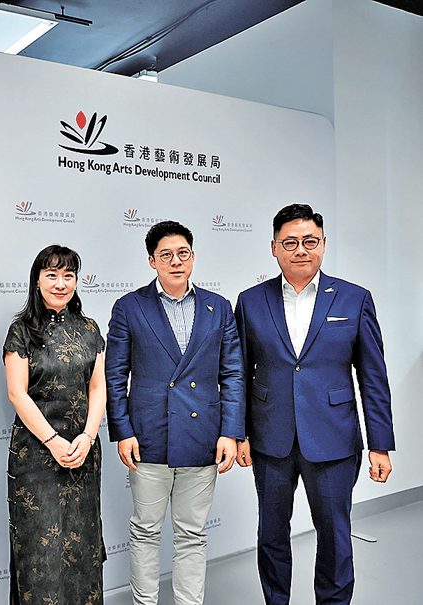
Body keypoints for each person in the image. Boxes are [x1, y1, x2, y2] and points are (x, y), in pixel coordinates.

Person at [234, 203, 395, 605]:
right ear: (274, 248)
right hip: (270, 439)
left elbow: (373, 377)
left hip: (333, 438)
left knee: (335, 537)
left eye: (310, 241)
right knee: (271, 535)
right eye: (290, 242)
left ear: (323, 244)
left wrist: (380, 445)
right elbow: (238, 374)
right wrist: (238, 433)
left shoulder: (354, 298)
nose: (301, 249)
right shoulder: (251, 301)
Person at [105, 220, 244, 605]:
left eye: (183, 253)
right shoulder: (130, 307)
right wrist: (123, 431)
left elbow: (232, 373)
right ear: (152, 261)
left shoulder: (219, 307)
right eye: (166, 255)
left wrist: (230, 432)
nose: (176, 261)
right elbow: (114, 375)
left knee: (192, 534)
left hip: (203, 436)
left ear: (193, 257)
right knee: (146, 531)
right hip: (148, 436)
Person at [4, 244, 107, 605]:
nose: (60, 283)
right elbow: (17, 393)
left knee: (82, 546)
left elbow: (97, 388)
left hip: (82, 452)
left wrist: (88, 437)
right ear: (37, 280)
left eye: (68, 275)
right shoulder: (21, 331)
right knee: (40, 553)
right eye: (51, 275)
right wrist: (52, 441)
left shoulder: (90, 329)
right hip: (35, 456)